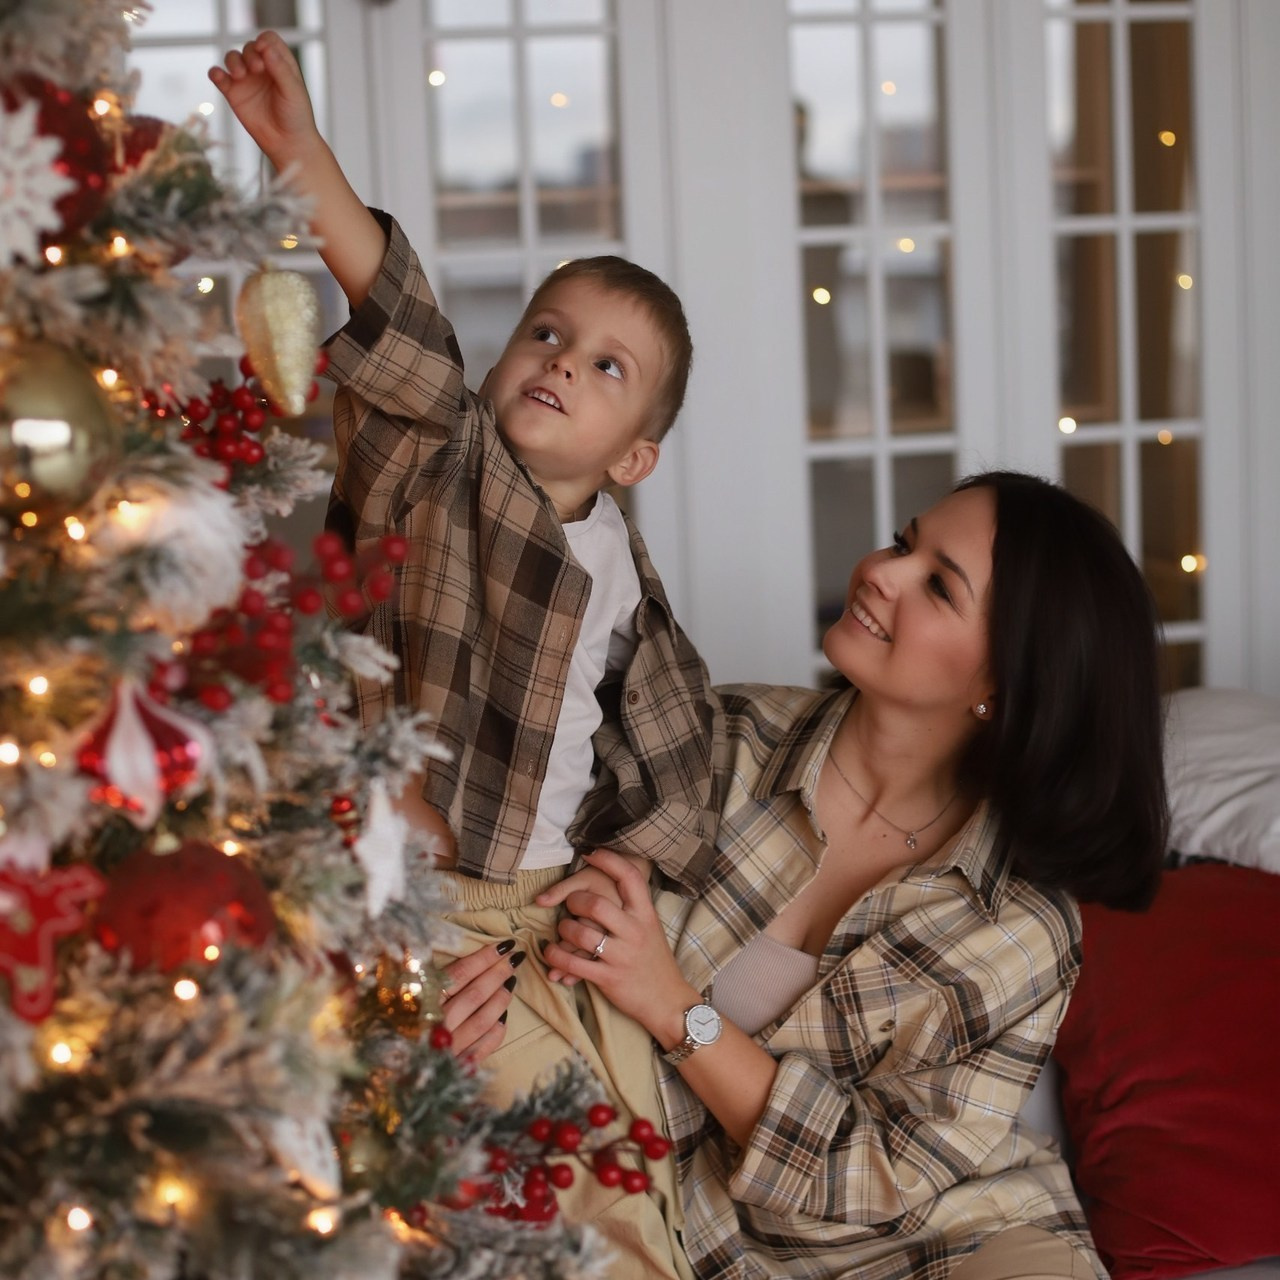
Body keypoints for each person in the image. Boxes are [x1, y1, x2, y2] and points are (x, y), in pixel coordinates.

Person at [209, 33, 720, 1275]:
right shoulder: (446, 463)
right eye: (546, 333)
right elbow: (399, 315)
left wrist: (625, 867)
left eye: (605, 366)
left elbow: (666, 733)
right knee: (519, 1172)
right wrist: (300, 152)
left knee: (614, 1152)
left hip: (545, 905)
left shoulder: (619, 567)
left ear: (633, 456)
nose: (561, 362)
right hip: (427, 895)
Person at [525, 470, 1168, 1279]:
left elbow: (878, 1173)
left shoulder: (1021, 926)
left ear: (1002, 685)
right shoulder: (718, 739)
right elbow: (536, 882)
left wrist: (676, 1010)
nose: (881, 572)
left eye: (938, 586)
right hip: (700, 1234)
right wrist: (500, 967)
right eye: (904, 543)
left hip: (963, 1243)